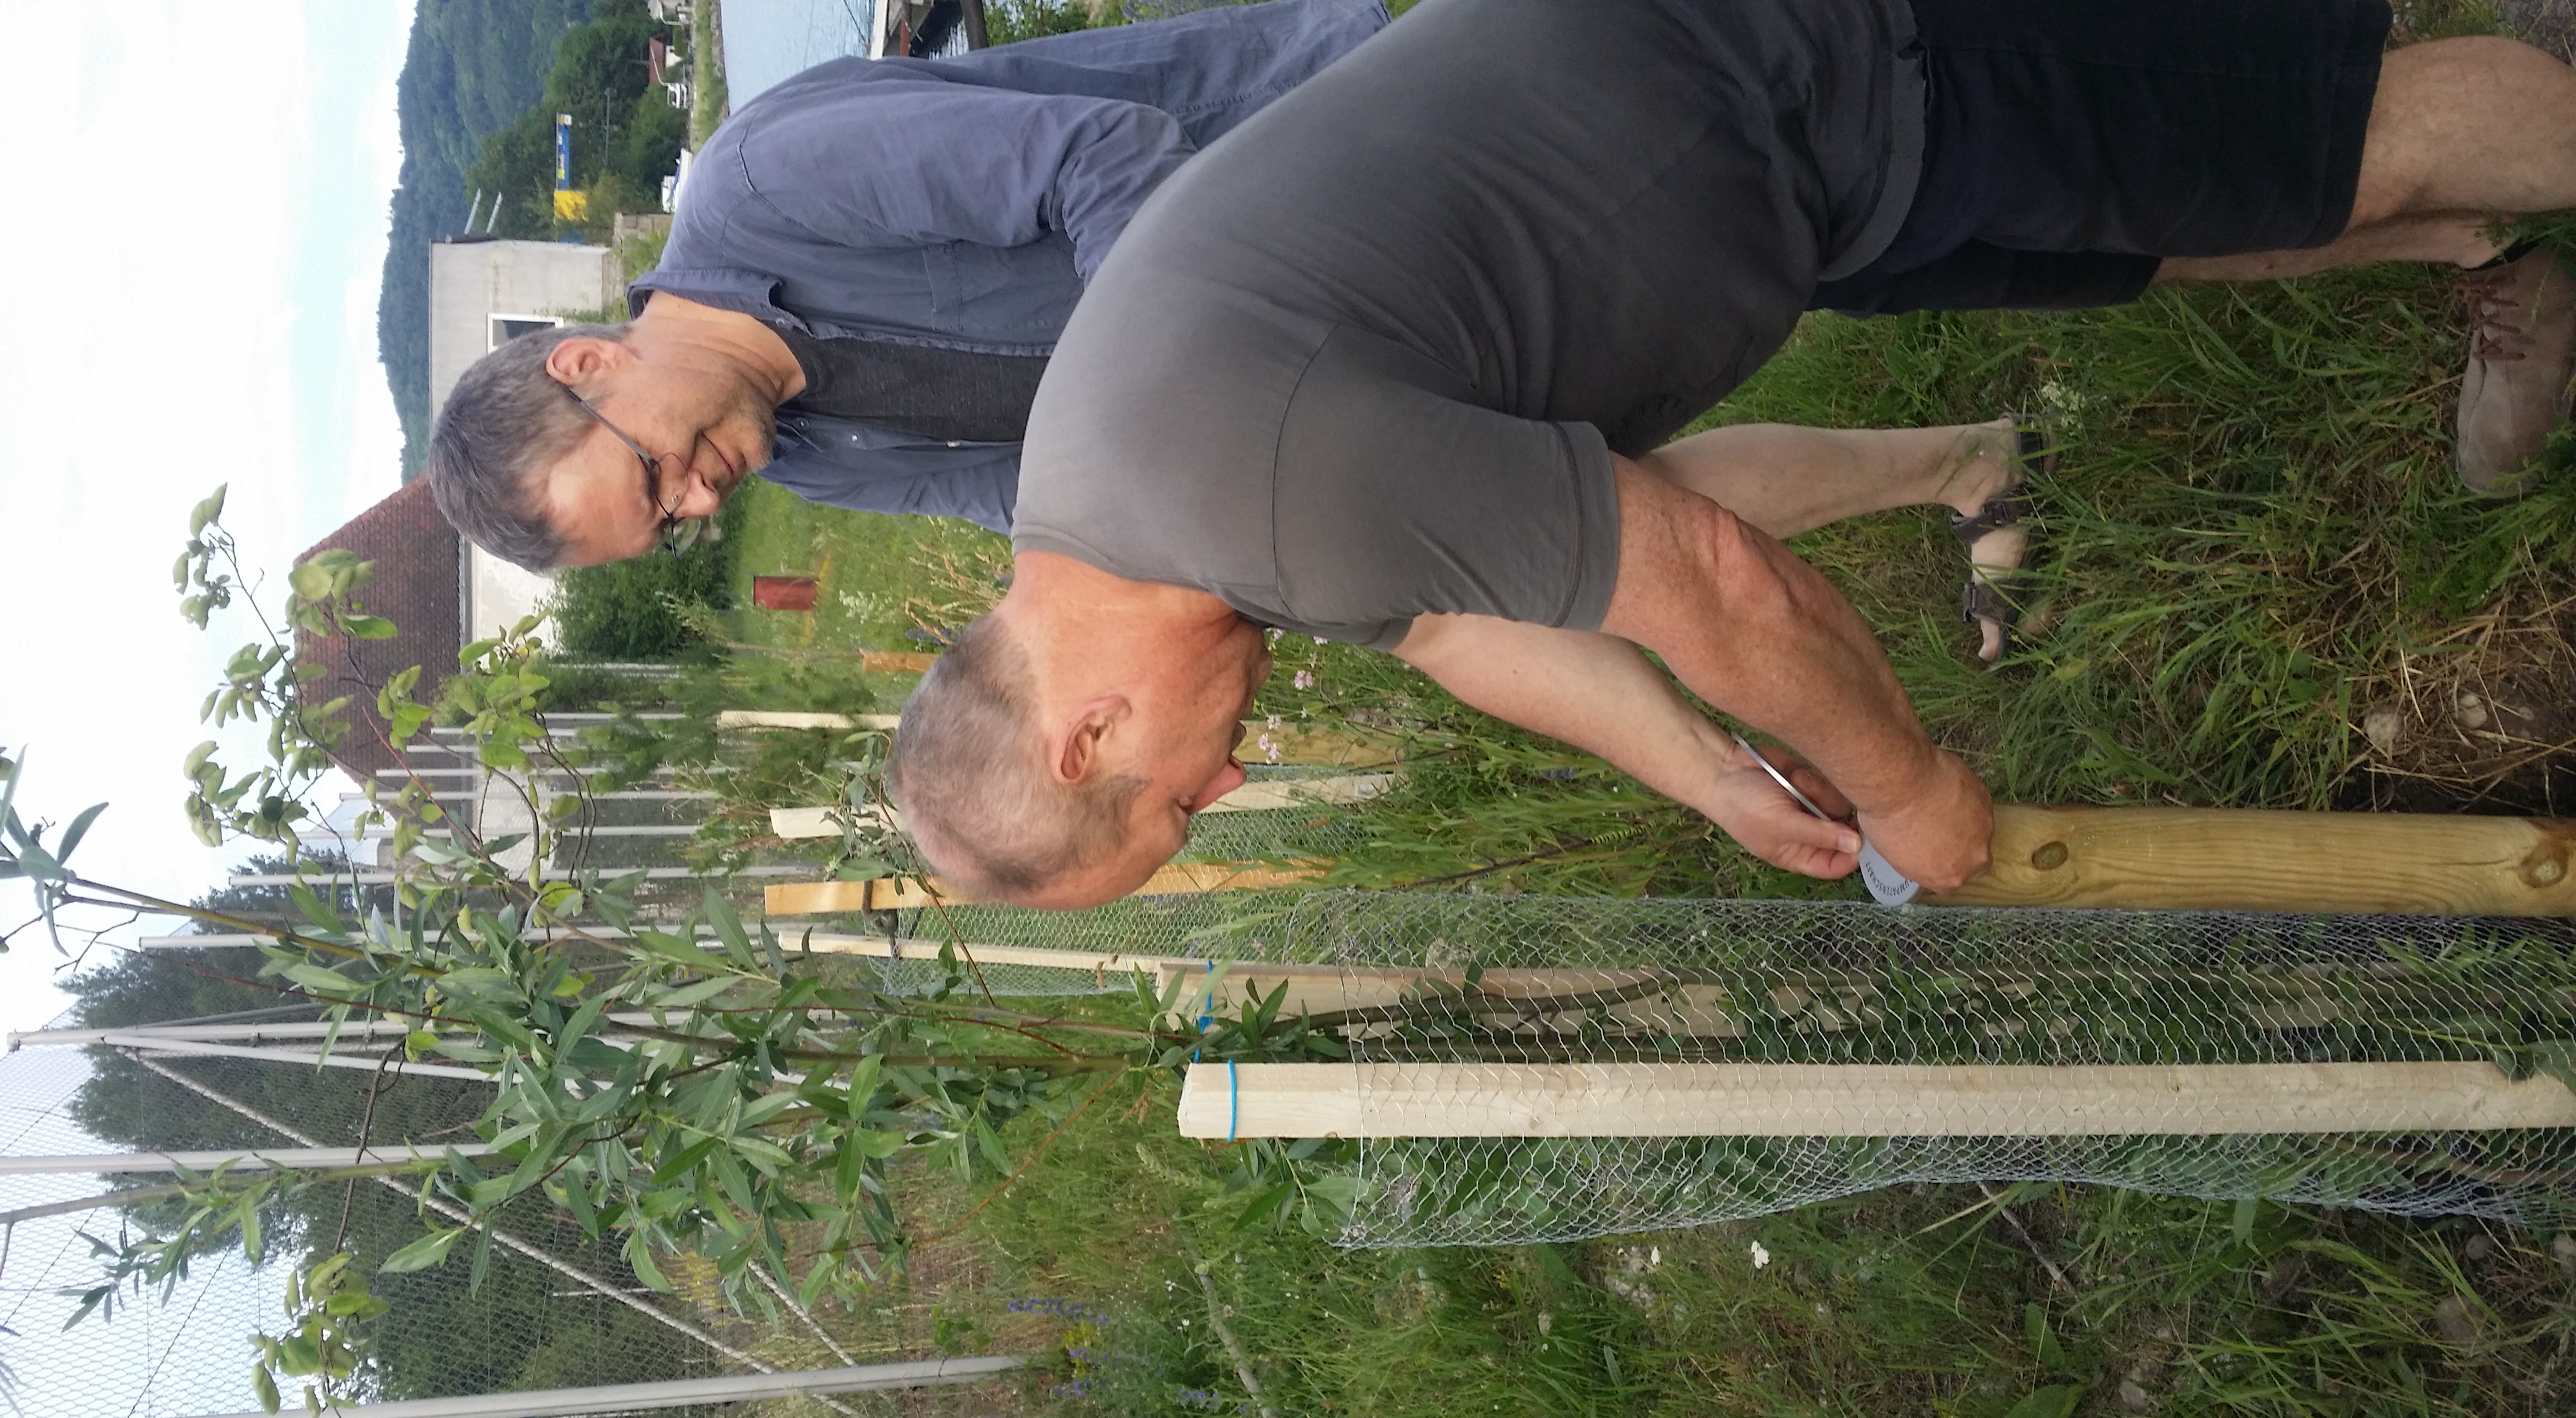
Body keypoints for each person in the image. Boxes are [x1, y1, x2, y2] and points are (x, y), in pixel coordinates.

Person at [886, 0, 2576, 908]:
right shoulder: (1125, 518)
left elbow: (1709, 580)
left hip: (1830, 58)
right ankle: (2497, 246)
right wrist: (1704, 775)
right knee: (2175, 222)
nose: (1231, 785)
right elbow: (1462, 629)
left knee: (2329, 144)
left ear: (1089, 733)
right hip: (1787, 160)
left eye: (1181, 806)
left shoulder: (1241, 490)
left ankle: (2513, 144)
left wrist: (1911, 788)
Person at [422, 0, 1390, 571]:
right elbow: (1029, 492)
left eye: (652, 475)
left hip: (1343, 138)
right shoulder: (798, 457)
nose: (701, 501)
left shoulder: (761, 186)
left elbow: (1105, 158)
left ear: (587, 363)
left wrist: (1161, 410)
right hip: (1348, 344)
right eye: (669, 524)